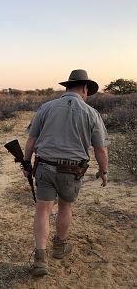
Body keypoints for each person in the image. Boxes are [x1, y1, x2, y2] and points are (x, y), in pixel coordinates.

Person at [23, 69, 109, 277]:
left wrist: (26, 162)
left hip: (44, 166)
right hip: (72, 170)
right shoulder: (91, 113)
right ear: (85, 88)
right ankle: (59, 247)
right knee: (65, 206)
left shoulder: (46, 107)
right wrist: (103, 170)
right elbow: (100, 149)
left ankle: (40, 258)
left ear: (67, 86)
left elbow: (31, 141)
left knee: (43, 210)